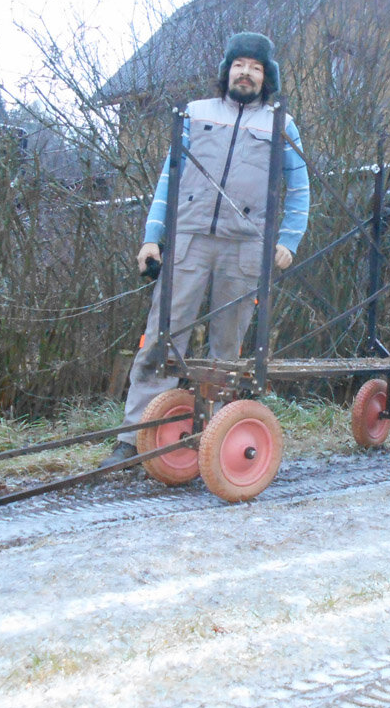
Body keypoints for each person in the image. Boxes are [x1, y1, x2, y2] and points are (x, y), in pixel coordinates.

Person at [100, 32, 310, 468]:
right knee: (161, 338)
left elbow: (301, 189)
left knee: (226, 350)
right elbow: (167, 180)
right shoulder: (195, 114)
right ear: (226, 71)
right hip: (190, 240)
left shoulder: (280, 123)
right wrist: (151, 237)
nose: (246, 73)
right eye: (239, 65)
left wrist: (288, 240)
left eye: (255, 66)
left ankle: (211, 438)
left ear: (266, 75)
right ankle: (133, 438)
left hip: (246, 248)